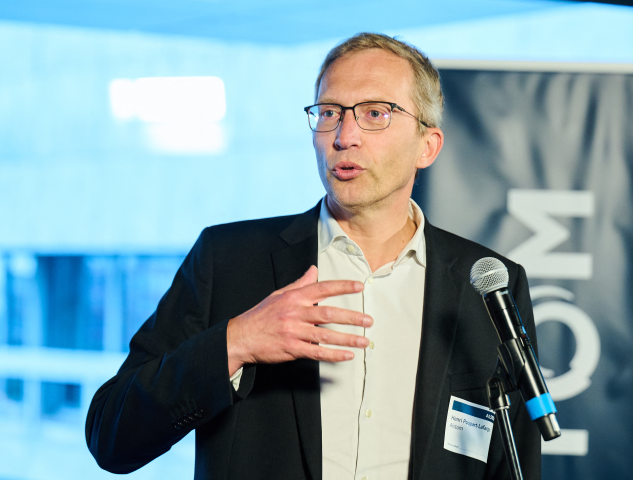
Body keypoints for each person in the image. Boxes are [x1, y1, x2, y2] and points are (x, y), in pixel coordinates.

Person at [86, 33, 540, 480]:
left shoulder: (488, 283)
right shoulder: (227, 261)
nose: (344, 137)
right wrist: (236, 342)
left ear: (428, 145)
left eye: (375, 113)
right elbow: (112, 438)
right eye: (329, 113)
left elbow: (512, 461)